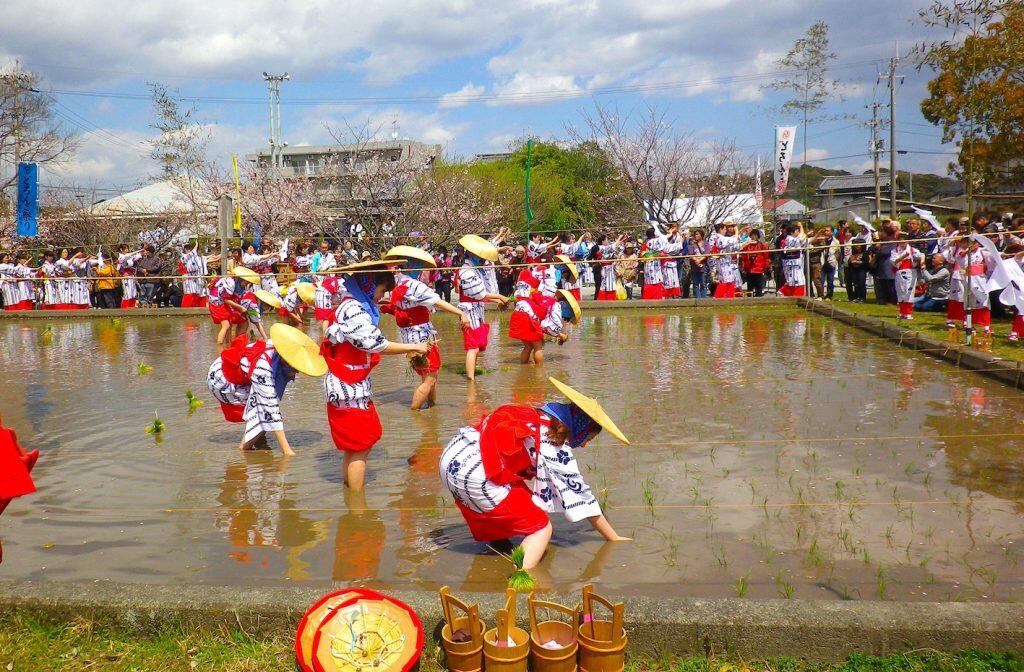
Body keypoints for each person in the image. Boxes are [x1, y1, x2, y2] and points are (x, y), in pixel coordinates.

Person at [439, 378, 631, 570]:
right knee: (541, 527)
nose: (584, 444)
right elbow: (581, 495)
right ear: (579, 428)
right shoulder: (554, 446)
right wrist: (612, 538)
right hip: (474, 472)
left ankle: (498, 547)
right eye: (587, 438)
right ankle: (519, 578)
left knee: (516, 501)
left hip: (455, 454)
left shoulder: (538, 415)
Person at [321, 260, 431, 489]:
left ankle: (350, 495)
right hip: (348, 385)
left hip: (347, 383)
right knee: (361, 445)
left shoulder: (349, 304)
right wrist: (414, 347)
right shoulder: (354, 309)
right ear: (368, 285)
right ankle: (359, 508)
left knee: (355, 446)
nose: (380, 297)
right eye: (381, 291)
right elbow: (375, 344)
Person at [208, 324, 326, 456]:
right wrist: (287, 451)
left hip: (236, 371)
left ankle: (258, 439)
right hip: (221, 380)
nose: (297, 372)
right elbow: (271, 407)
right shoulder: (264, 369)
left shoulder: (279, 348)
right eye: (294, 367)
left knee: (264, 406)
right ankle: (244, 447)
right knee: (262, 407)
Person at [381, 245, 470, 410]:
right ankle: (415, 412)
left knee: (429, 377)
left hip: (410, 337)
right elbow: (438, 301)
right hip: (422, 338)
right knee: (430, 378)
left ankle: (432, 408)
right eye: (419, 265)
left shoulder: (397, 280)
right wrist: (461, 313)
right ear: (412, 265)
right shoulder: (414, 285)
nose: (423, 269)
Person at [456, 235, 510, 381]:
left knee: (477, 345)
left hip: (476, 309)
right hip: (469, 311)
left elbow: (481, 295)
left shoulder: (475, 269)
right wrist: (499, 297)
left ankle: (474, 371)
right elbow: (479, 294)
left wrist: (497, 300)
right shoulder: (466, 271)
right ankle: (471, 379)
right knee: (472, 347)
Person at [509, 288, 581, 365]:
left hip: (518, 313)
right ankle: (539, 370)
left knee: (528, 346)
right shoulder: (556, 307)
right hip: (528, 318)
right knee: (538, 347)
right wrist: (559, 335)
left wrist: (558, 335)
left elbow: (542, 326)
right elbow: (550, 328)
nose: (563, 318)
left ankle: (523, 368)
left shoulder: (548, 300)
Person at [891, 228, 925, 320]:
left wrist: (922, 262)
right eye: (900, 241)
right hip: (899, 273)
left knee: (909, 292)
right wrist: (903, 256)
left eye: (904, 241)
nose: (902, 243)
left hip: (910, 272)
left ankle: (908, 312)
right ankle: (902, 312)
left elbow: (921, 255)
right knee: (901, 291)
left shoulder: (912, 250)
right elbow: (894, 262)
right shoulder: (895, 251)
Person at [180, 242, 218, 308]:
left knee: (199, 295)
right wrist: (196, 245)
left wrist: (216, 256)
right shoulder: (184, 257)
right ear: (185, 250)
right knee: (189, 295)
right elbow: (191, 255)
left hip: (198, 279)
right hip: (188, 279)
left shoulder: (198, 258)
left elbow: (208, 259)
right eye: (188, 249)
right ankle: (186, 311)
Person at [779, 223, 808, 296]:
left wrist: (801, 228)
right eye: (796, 231)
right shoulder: (789, 239)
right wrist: (803, 229)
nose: (798, 232)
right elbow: (801, 239)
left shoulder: (793, 238)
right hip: (791, 262)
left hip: (795, 262)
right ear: (792, 232)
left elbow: (802, 238)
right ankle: (784, 292)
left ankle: (787, 293)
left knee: (796, 279)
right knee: (796, 279)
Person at [596, 234, 626, 301]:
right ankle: (608, 299)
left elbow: (615, 246)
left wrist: (621, 240)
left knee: (607, 284)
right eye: (606, 240)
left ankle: (606, 299)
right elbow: (614, 246)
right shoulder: (602, 248)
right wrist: (619, 237)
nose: (608, 241)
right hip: (607, 268)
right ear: (603, 241)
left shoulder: (602, 248)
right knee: (609, 285)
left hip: (608, 267)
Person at [741, 230, 771, 297]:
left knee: (758, 285)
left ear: (758, 236)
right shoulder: (747, 245)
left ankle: (758, 297)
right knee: (750, 286)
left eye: (755, 235)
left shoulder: (761, 245)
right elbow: (743, 256)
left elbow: (766, 256)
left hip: (759, 268)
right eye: (752, 235)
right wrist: (744, 266)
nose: (754, 237)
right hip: (749, 268)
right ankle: (749, 299)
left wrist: (766, 266)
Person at [689, 230, 709, 298]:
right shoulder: (692, 244)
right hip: (694, 267)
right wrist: (696, 261)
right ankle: (697, 298)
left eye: (697, 234)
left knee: (703, 283)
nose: (695, 236)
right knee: (695, 284)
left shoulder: (706, 243)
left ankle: (703, 299)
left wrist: (700, 261)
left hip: (703, 266)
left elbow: (707, 254)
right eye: (695, 234)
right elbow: (691, 254)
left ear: (701, 235)